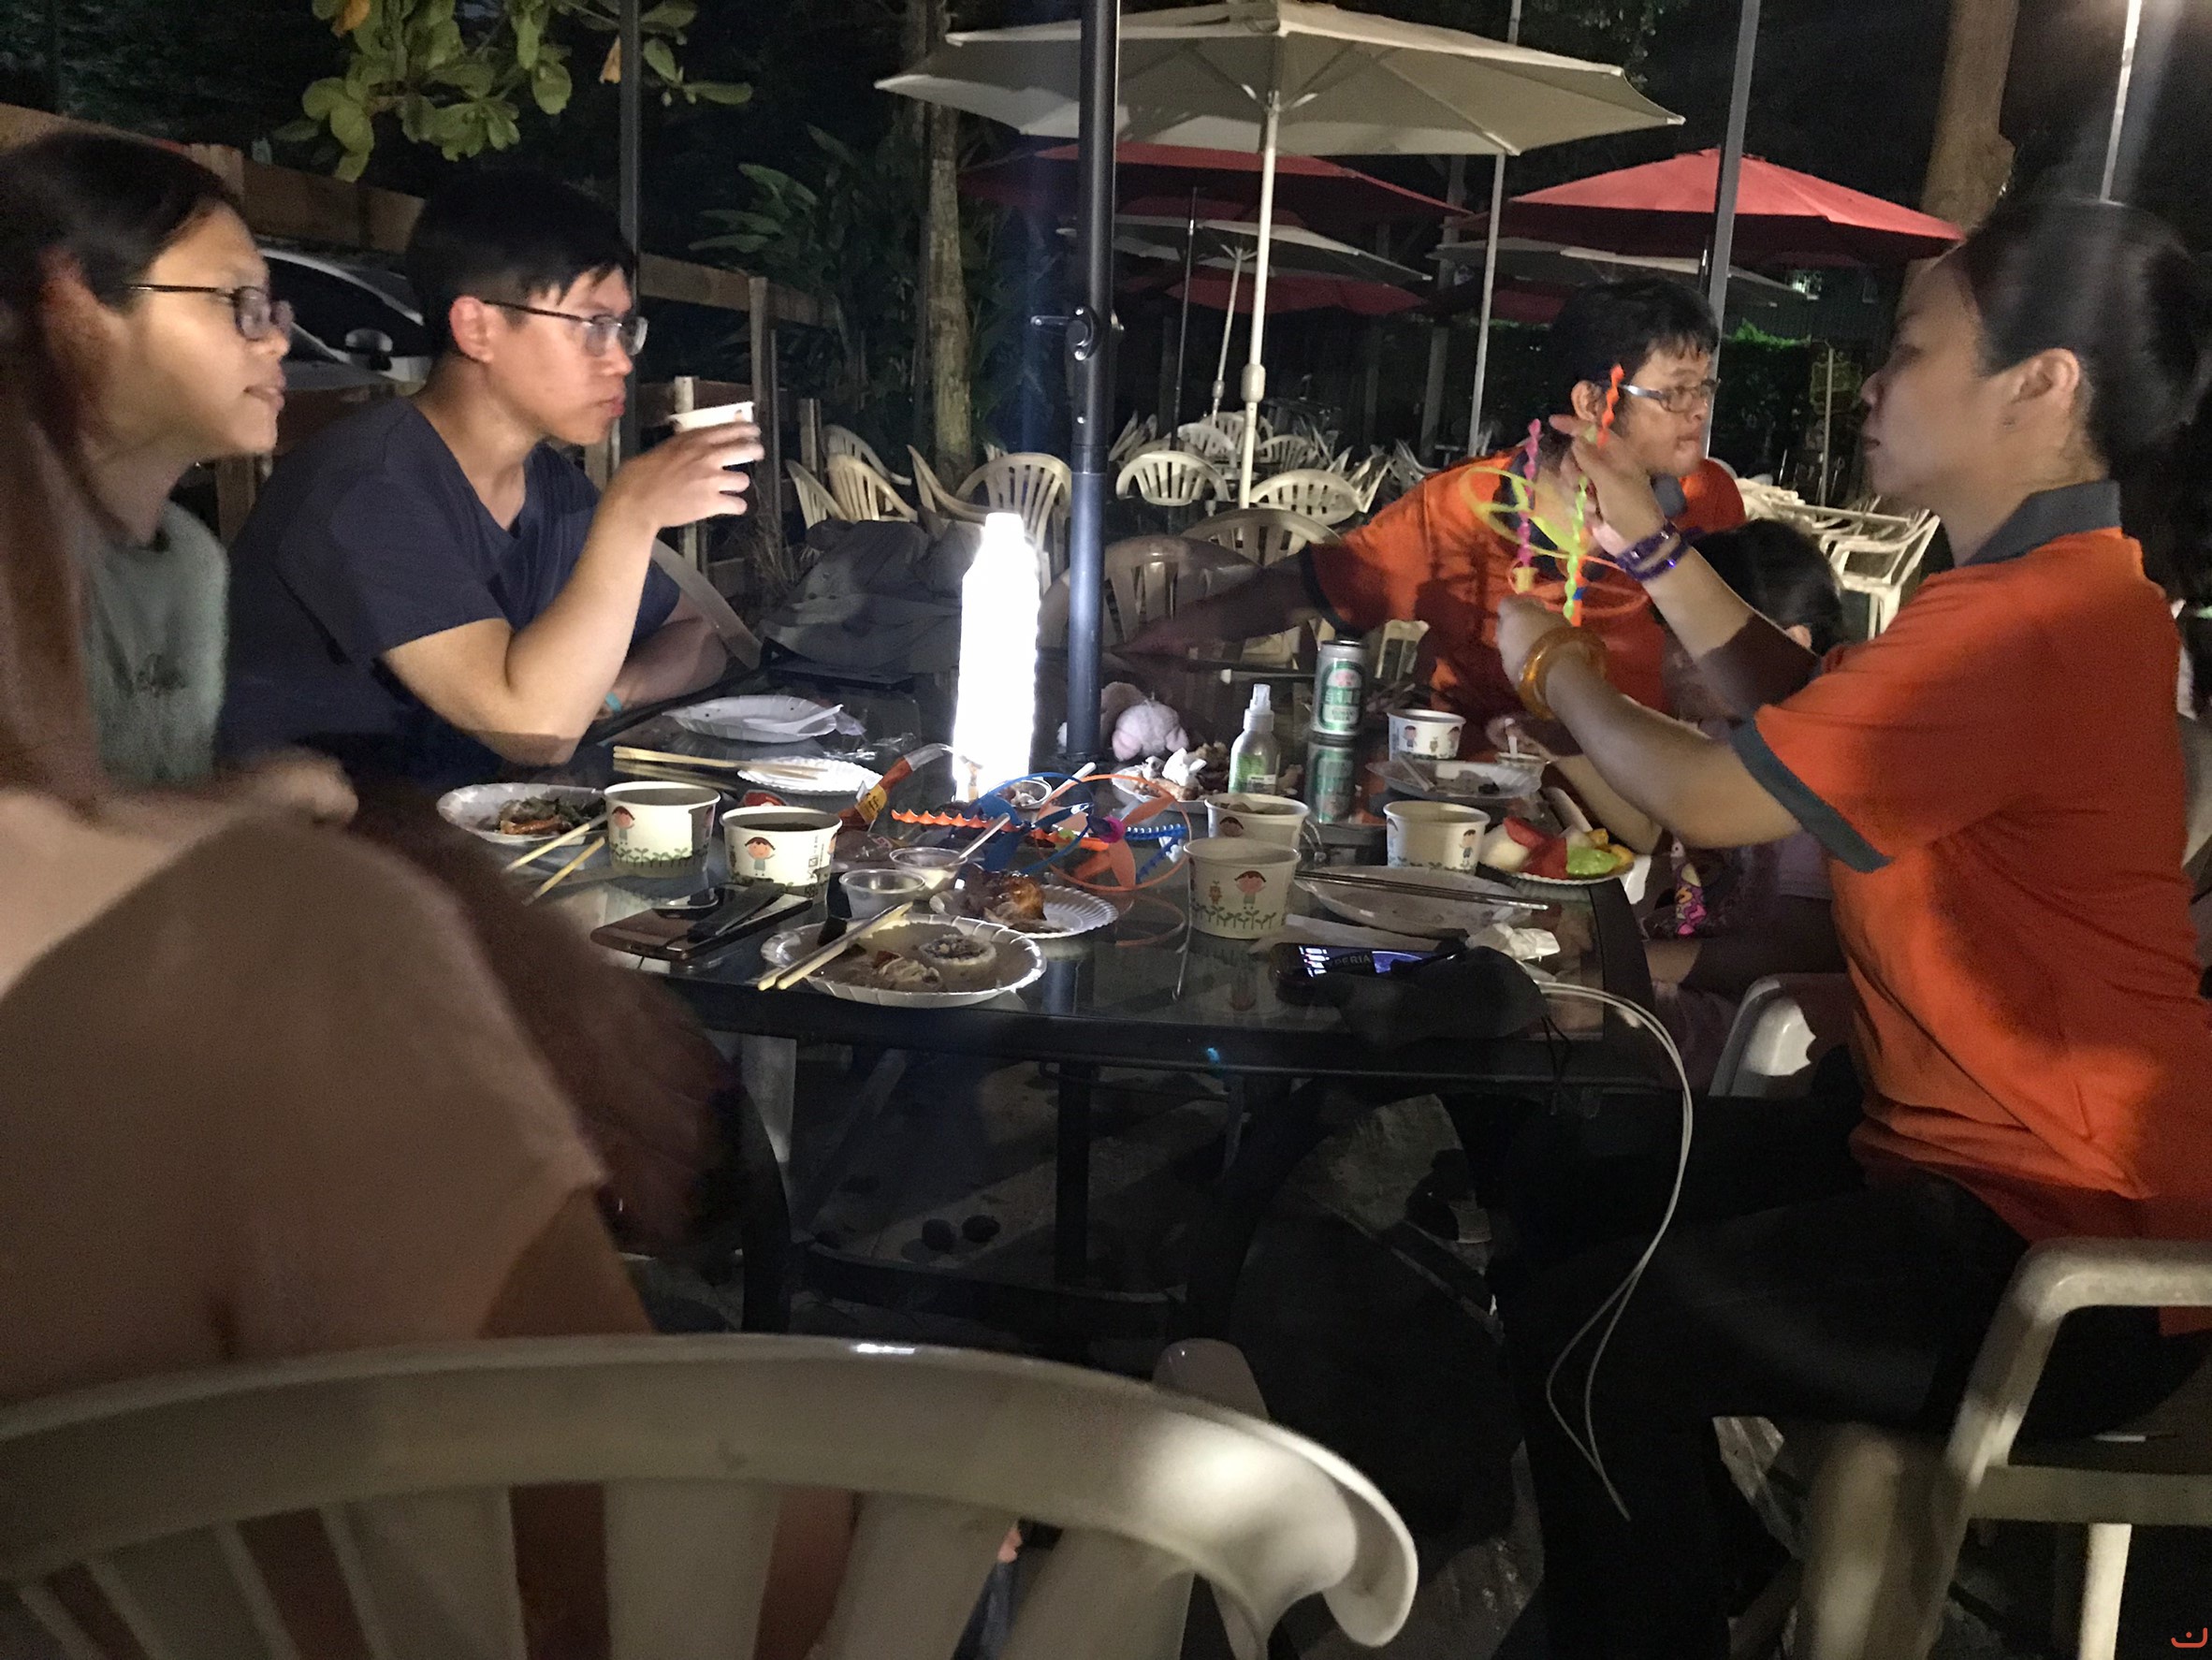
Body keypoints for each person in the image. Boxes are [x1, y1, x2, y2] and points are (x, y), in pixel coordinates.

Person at [0, 135, 849, 1657]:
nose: (285, 340)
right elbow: (528, 717)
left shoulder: (182, 561)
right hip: (361, 922)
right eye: (241, 304)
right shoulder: (364, 492)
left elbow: (669, 653)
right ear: (71, 312)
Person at [1486, 196, 2212, 1659]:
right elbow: (1817, 716)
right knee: (1564, 1191)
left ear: (2041, 382)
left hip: (2058, 1249)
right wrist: (1646, 546)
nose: (1872, 386)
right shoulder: (2054, 591)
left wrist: (1551, 660)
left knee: (1587, 1341)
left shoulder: (2025, 622)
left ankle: (1655, 1616)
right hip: (1962, 1168)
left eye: (1911, 348)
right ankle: (1691, 1563)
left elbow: (1714, 790)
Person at [220, 169, 760, 787]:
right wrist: (632, 513)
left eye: (623, 329)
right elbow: (534, 729)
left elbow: (698, 636)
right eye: (592, 327)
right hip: (311, 836)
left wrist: (608, 694)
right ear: (477, 328)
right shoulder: (365, 488)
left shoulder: (551, 486)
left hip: (475, 821)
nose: (621, 360)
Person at [1120, 279, 1747, 735]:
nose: (1700, 409)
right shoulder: (1465, 506)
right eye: (1677, 392)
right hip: (1467, 802)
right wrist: (1177, 632)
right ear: (1591, 403)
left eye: (1706, 387)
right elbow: (1324, 583)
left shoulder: (1708, 501)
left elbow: (1747, 660)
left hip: (1643, 805)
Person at [1497, 518, 1847, 1087]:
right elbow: (1658, 831)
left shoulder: (1818, 766)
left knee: (1542, 1008)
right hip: (1682, 964)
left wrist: (1618, 964)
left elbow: (1794, 949)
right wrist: (1567, 748)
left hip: (1743, 1016)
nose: (1677, 659)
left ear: (1793, 643)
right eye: (1672, 637)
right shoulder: (1725, 731)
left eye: (1696, 640)